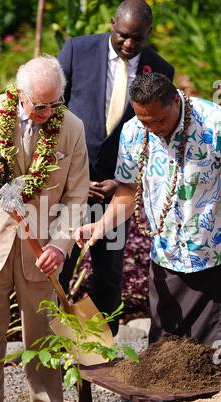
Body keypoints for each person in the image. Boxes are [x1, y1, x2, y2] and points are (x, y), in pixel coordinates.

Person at [0, 56, 89, 402]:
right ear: (21, 95)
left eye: (55, 103)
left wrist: (60, 246)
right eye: (40, 105)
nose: (48, 111)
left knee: (42, 338)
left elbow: (77, 197)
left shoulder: (72, 128)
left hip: (41, 247)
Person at [76, 72, 221, 346]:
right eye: (145, 121)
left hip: (213, 259)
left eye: (159, 120)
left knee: (210, 360)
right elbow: (129, 191)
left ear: (176, 101)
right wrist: (102, 225)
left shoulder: (214, 123)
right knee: (164, 356)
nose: (153, 127)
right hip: (166, 258)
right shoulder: (133, 132)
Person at [58, 0, 174, 336]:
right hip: (70, 185)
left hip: (116, 190)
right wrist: (72, 175)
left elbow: (157, 137)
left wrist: (125, 182)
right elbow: (54, 112)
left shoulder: (160, 68)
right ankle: (57, 345)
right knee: (60, 265)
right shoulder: (77, 50)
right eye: (122, 35)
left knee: (108, 274)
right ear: (112, 24)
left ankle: (100, 349)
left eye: (136, 39)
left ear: (147, 35)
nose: (128, 44)